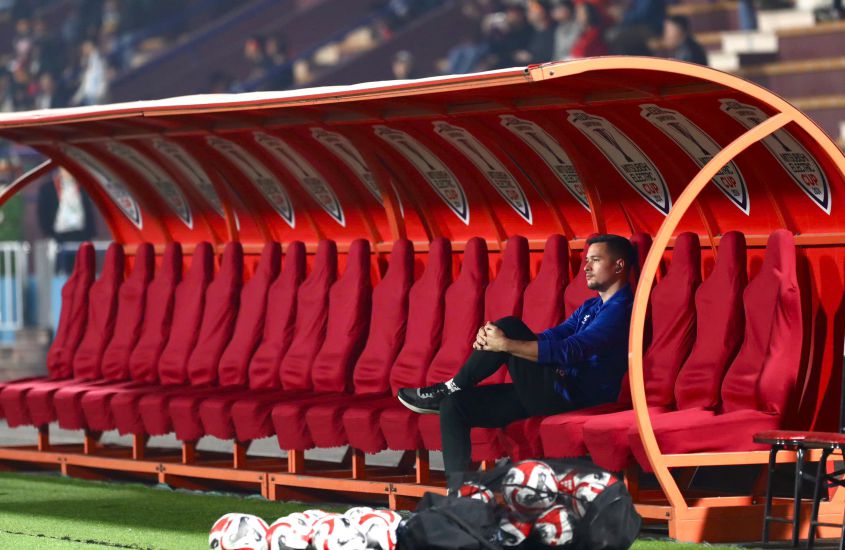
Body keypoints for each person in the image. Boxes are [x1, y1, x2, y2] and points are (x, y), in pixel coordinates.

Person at [398, 234, 636, 487]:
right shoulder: (590, 307)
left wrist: (506, 343)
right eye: (586, 260)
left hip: (574, 398)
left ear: (619, 266)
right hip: (552, 388)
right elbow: (551, 336)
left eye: (595, 260)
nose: (586, 267)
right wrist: (497, 341)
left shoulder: (623, 308)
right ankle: (459, 492)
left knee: (510, 326)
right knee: (455, 405)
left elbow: (572, 350)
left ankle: (450, 385)